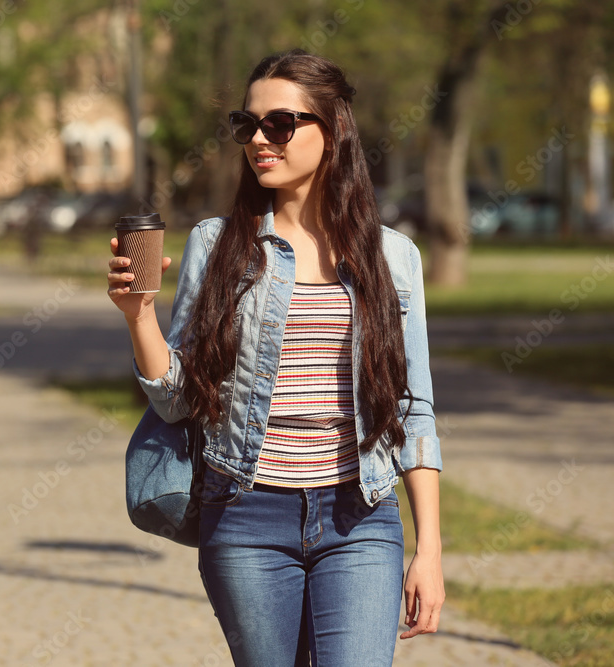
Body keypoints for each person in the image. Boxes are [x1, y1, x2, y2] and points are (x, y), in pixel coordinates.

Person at [106, 49, 444, 666]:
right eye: (247, 124)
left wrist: (431, 550)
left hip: (361, 517)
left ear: (331, 130)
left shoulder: (394, 258)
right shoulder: (218, 245)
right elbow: (179, 397)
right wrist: (139, 314)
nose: (259, 139)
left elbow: (412, 409)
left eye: (279, 124)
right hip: (246, 516)